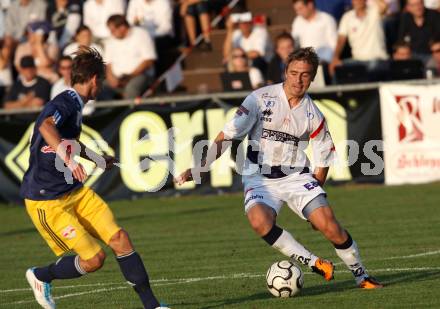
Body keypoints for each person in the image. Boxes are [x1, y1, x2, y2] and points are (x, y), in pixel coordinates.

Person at [176, 47, 383, 290]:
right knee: (259, 221)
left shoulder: (313, 114)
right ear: (285, 72)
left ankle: (362, 276)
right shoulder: (259, 99)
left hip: (296, 177)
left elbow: (324, 158)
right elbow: (228, 136)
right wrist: (200, 167)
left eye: (305, 74)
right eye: (294, 73)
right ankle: (314, 262)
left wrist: (317, 192)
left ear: (313, 77)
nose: (298, 79)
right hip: (259, 178)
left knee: (330, 226)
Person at [21, 47, 168, 309]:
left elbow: (71, 140)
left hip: (75, 192)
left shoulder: (75, 106)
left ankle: (153, 306)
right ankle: (41, 276)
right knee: (94, 259)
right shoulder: (65, 102)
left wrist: (97, 159)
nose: (102, 85)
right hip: (47, 201)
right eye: (102, 80)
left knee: (120, 238)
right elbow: (46, 126)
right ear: (94, 80)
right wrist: (69, 160)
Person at [329, 0, 389, 77]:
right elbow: (341, 40)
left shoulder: (375, 10)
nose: (358, 1)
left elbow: (384, 6)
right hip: (357, 60)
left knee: (372, 68)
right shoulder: (347, 17)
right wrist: (335, 58)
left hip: (377, 59)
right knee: (337, 68)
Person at [104, 14, 157, 99]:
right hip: (117, 78)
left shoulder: (141, 34)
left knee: (131, 89)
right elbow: (108, 64)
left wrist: (129, 77)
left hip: (139, 75)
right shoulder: (110, 40)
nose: (111, 33)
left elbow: (148, 61)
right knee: (100, 88)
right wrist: (111, 78)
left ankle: (129, 111)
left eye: (113, 30)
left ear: (122, 27)